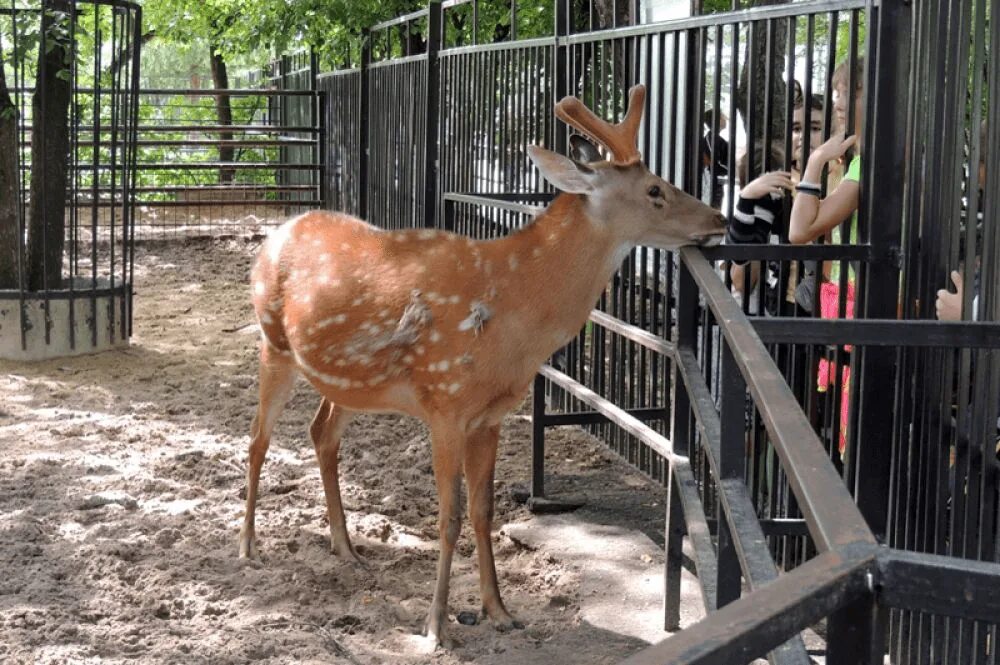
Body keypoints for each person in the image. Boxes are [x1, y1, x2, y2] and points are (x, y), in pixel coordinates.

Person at [788, 57, 866, 457]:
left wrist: (815, 162)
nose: (839, 100)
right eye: (837, 90)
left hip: (866, 311)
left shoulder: (864, 168)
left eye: (850, 91)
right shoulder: (870, 160)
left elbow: (799, 231)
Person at [701, 109, 730, 208]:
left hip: (716, 182)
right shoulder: (713, 139)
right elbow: (716, 161)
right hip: (713, 183)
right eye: (722, 116)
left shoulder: (715, 138)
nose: (726, 118)